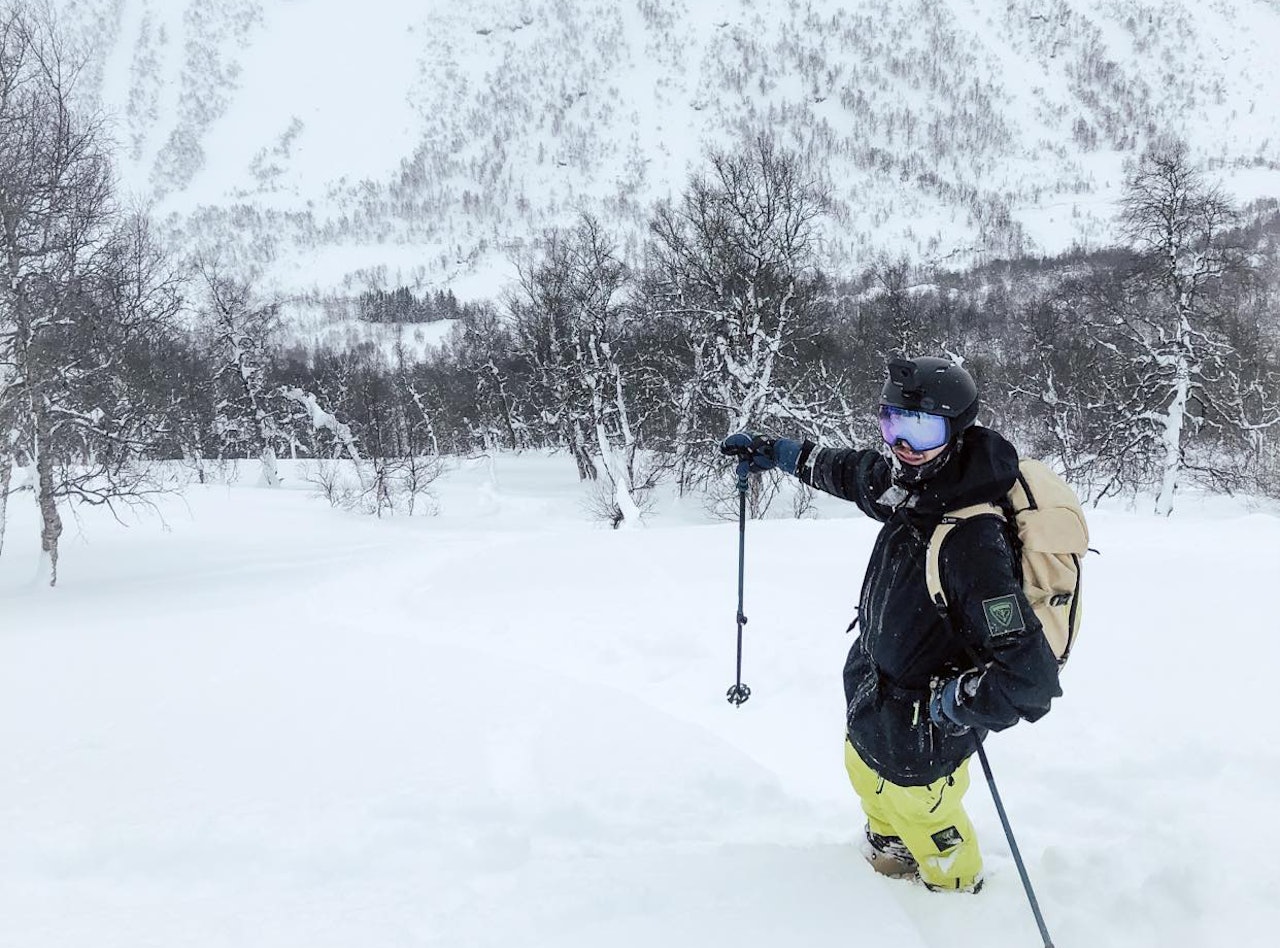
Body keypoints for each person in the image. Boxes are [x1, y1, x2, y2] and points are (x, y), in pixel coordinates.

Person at [720, 355, 1061, 893]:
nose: (904, 446)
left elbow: (1031, 680)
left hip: (924, 733)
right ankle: (889, 847)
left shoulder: (973, 543)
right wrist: (779, 452)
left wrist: (955, 704)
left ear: (957, 431)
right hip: (877, 701)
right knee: (869, 780)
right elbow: (851, 473)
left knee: (924, 815)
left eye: (922, 430)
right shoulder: (917, 485)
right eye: (893, 424)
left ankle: (956, 899)